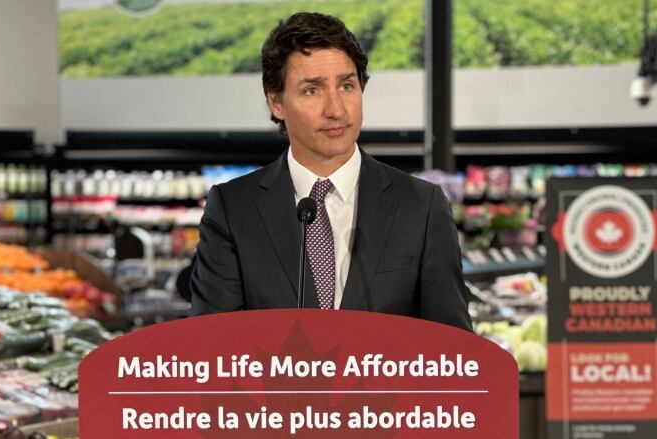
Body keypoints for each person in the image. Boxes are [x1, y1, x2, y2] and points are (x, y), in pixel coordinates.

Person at [189, 12, 472, 331]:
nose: (336, 110)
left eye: (347, 86)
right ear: (277, 103)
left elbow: (453, 356)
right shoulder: (233, 208)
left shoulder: (422, 206)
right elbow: (213, 351)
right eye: (312, 90)